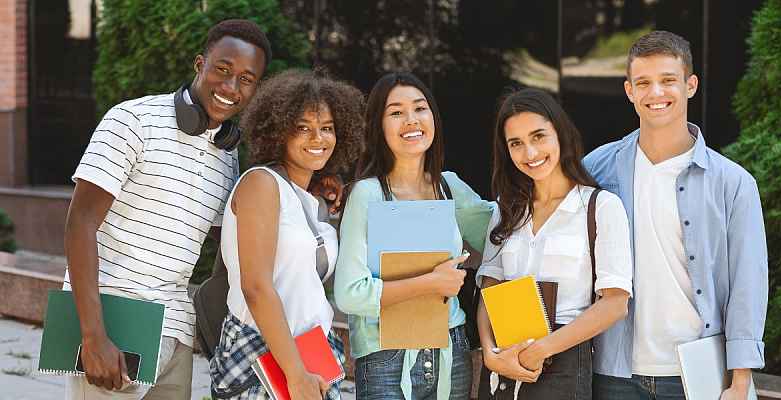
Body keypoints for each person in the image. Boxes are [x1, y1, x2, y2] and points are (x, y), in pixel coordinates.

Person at [63, 19, 270, 399]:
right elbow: (80, 222)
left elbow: (237, 244)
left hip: (174, 327)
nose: (230, 87)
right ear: (199, 64)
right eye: (222, 70)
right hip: (113, 317)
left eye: (246, 79)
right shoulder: (132, 120)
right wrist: (92, 335)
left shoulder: (227, 156)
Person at [584, 30, 768, 400]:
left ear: (690, 85)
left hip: (698, 375)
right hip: (613, 372)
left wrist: (741, 381)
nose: (656, 94)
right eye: (644, 83)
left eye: (668, 80)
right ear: (629, 91)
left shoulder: (733, 184)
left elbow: (749, 285)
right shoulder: (596, 169)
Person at [207, 68, 365, 400]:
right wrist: (295, 374)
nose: (317, 139)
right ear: (279, 131)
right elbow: (256, 287)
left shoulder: (309, 195)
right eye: (303, 128)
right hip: (267, 359)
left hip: (314, 355)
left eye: (327, 129)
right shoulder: (261, 184)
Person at [334, 72, 493, 400]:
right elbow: (349, 294)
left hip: (450, 348)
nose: (411, 120)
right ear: (378, 125)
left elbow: (506, 236)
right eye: (396, 112)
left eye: (420, 108)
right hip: (386, 356)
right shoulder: (368, 194)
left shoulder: (449, 188)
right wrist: (430, 284)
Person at [475, 88, 632, 400]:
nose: (530, 153)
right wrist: (490, 354)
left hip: (563, 360)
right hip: (503, 359)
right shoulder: (506, 208)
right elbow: (489, 289)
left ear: (560, 134)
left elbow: (615, 304)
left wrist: (540, 350)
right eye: (516, 143)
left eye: (538, 136)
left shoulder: (600, 207)